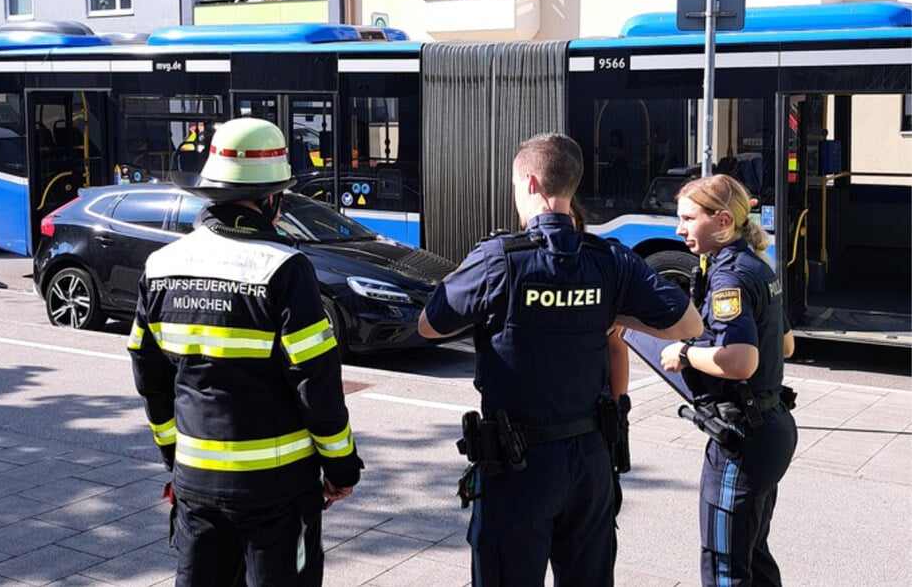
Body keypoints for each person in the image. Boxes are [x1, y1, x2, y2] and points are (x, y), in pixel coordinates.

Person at [418, 132, 702, 586]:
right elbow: (689, 324)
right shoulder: (611, 259)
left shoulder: (498, 259)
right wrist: (610, 314)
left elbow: (430, 325)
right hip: (590, 462)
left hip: (517, 465)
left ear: (529, 182)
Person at [128, 117, 363, 587]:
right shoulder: (285, 268)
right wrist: (341, 467)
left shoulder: (161, 265)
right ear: (272, 200)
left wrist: (175, 458)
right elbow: (315, 380)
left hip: (196, 484)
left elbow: (150, 377)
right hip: (279, 491)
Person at [659, 174, 797, 587]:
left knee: (724, 565)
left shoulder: (729, 276)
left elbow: (741, 362)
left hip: (743, 436)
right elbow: (786, 344)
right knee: (753, 557)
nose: (679, 229)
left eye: (688, 218)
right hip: (770, 427)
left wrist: (684, 353)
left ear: (721, 221)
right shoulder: (757, 263)